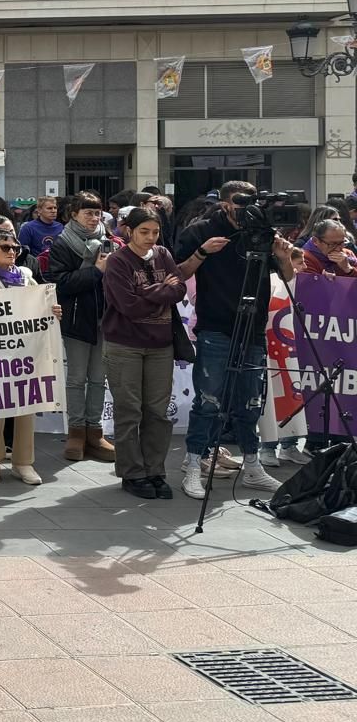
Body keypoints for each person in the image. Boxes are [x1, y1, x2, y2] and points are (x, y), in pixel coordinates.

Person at [174, 180, 291, 499]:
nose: (248, 212)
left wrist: (282, 257)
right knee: (209, 400)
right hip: (215, 326)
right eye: (241, 207)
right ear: (225, 205)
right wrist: (202, 252)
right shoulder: (202, 230)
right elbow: (178, 273)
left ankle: (252, 464)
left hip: (253, 327)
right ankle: (194, 462)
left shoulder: (263, 230)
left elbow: (289, 278)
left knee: (250, 400)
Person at [102, 206, 210, 500]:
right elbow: (129, 306)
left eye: (155, 231)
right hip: (124, 344)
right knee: (129, 411)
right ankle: (132, 472)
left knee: (157, 412)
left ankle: (155, 470)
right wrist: (162, 288)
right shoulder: (118, 261)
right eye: (144, 232)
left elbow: (178, 292)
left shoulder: (163, 254)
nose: (150, 237)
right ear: (129, 231)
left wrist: (153, 292)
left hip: (161, 344)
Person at [0, 229, 60, 486]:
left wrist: (53, 310)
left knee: (25, 407)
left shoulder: (28, 278)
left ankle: (23, 462)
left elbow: (43, 303)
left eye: (14, 248)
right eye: (5, 247)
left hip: (25, 354)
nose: (11, 252)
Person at [45, 192, 116, 463]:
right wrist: (96, 271)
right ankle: (76, 431)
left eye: (97, 213)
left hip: (104, 318)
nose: (93, 218)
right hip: (76, 318)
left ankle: (94, 431)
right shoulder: (62, 244)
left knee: (99, 378)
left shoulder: (108, 240)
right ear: (74, 214)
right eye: (88, 212)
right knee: (76, 378)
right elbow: (61, 283)